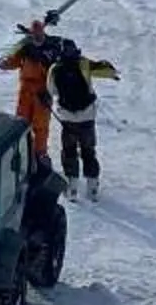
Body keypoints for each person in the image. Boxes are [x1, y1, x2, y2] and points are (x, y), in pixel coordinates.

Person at [46, 42, 122, 199]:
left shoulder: (55, 68)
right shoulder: (83, 63)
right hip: (87, 117)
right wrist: (112, 72)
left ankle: (72, 186)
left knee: (69, 151)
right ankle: (92, 187)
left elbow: (51, 90)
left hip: (67, 118)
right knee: (88, 151)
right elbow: (104, 70)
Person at [0, 20, 60, 160]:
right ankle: (20, 151)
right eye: (35, 35)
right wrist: (2, 64)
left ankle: (40, 154)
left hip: (42, 91)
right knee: (21, 121)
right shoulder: (26, 48)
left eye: (39, 34)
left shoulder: (51, 48)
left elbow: (56, 71)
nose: (37, 37)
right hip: (26, 90)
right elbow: (14, 61)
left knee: (40, 126)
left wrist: (50, 91)